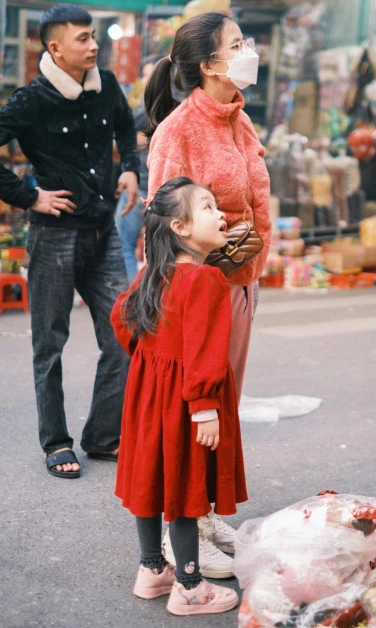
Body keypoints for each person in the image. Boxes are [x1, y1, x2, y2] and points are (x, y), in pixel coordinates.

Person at [145, 12, 271, 573]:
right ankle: (182, 528)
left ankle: (205, 513)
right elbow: (161, 228)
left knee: (223, 405)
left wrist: (253, 261)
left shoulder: (241, 122)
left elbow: (258, 199)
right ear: (209, 65)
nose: (249, 52)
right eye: (238, 44)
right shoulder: (178, 132)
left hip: (239, 286)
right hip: (194, 298)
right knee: (192, 409)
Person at [0, 3, 140, 478]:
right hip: (54, 237)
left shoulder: (106, 86)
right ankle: (56, 443)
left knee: (125, 334)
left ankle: (102, 438)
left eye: (94, 36)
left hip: (102, 234)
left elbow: (127, 126)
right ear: (55, 47)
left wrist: (130, 170)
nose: (94, 45)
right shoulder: (31, 99)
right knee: (50, 344)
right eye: (83, 38)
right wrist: (29, 197)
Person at [110, 176, 246, 616]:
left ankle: (152, 570)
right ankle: (189, 587)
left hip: (149, 395)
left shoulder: (154, 273)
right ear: (181, 227)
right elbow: (205, 348)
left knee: (150, 481)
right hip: (187, 400)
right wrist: (205, 406)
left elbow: (120, 317)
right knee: (185, 489)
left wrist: (150, 357)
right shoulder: (205, 280)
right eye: (208, 207)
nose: (222, 214)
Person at [115, 54, 162, 281]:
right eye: (143, 74)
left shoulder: (150, 105)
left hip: (142, 186)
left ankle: (132, 298)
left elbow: (128, 137)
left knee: (122, 244)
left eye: (148, 74)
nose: (144, 79)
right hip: (159, 187)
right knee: (158, 252)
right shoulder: (173, 105)